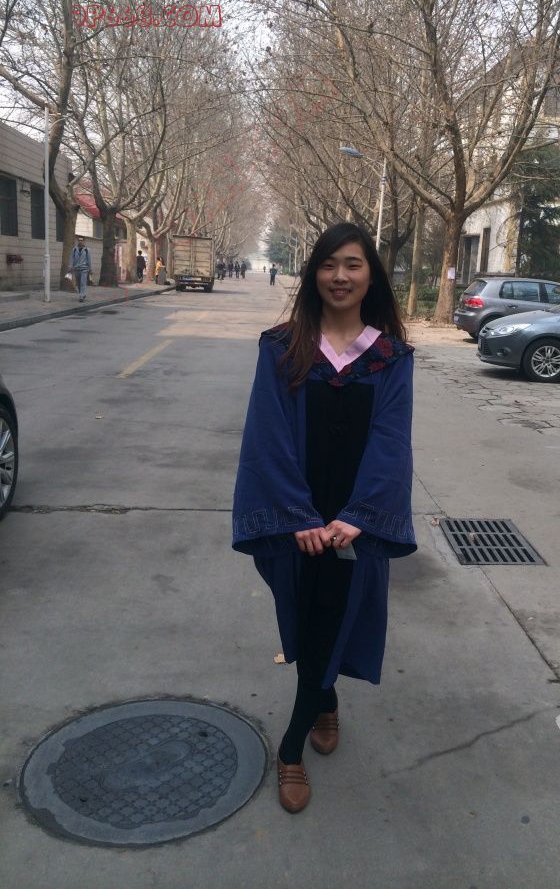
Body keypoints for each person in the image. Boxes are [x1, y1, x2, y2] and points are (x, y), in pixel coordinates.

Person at [232, 222, 416, 814]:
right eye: (329, 265)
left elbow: (392, 440)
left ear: (371, 276)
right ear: (314, 274)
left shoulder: (389, 358)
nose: (340, 276)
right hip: (297, 516)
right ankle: (327, 699)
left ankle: (290, 749)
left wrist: (361, 515)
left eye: (353, 264)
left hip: (353, 523)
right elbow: (267, 435)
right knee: (308, 612)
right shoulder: (282, 348)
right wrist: (298, 515)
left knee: (331, 617)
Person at [71, 236, 92, 301]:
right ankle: (82, 293)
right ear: (78, 241)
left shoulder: (87, 250)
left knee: (83, 282)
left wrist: (90, 269)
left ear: (84, 241)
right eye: (79, 240)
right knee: (78, 283)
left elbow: (89, 260)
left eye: (82, 240)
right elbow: (72, 259)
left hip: (84, 269)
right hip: (76, 269)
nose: (80, 241)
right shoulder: (74, 249)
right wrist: (70, 267)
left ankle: (81, 296)